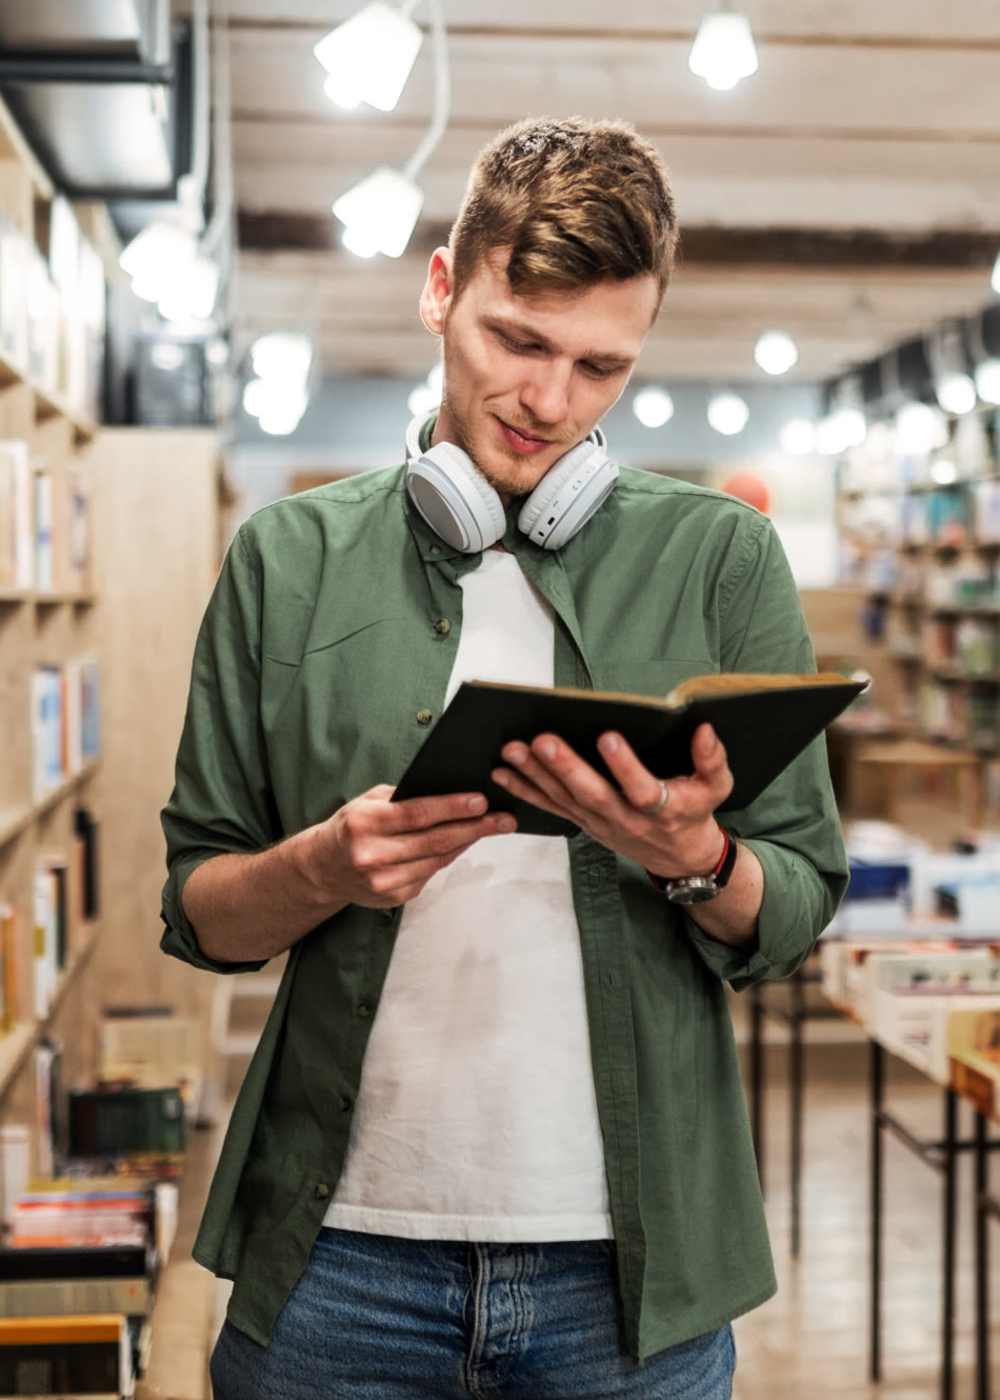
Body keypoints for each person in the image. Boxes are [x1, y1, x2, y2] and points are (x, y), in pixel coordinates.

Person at [160, 115, 848, 1399]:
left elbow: (797, 903)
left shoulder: (720, 559)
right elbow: (199, 904)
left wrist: (695, 858)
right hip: (336, 1261)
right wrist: (320, 866)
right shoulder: (285, 559)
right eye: (517, 340)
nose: (548, 400)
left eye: (600, 368)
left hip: (629, 1281)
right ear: (440, 288)